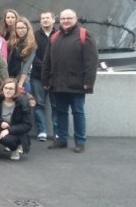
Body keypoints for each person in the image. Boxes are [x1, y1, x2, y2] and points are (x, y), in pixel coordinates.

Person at [42, 9, 98, 153]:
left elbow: (91, 62)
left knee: (78, 112)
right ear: (59, 20)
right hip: (57, 83)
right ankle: (61, 139)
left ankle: (80, 142)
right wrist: (46, 80)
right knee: (60, 112)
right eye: (63, 18)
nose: (66, 21)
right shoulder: (55, 36)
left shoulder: (84, 35)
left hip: (77, 84)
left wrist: (89, 82)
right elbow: (47, 61)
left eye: (69, 18)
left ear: (76, 19)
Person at [0, 78, 32, 161]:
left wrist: (9, 130)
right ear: (2, 89)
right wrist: (0, 122)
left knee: (7, 139)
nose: (8, 91)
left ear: (16, 90)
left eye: (11, 89)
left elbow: (27, 125)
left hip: (16, 132)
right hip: (0, 128)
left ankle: (15, 149)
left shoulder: (22, 103)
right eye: (6, 88)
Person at [31, 12, 56, 141]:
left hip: (55, 77)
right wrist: (45, 67)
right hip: (37, 76)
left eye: (48, 18)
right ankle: (42, 131)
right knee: (39, 104)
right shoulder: (34, 36)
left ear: (53, 20)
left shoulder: (59, 35)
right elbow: (32, 56)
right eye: (43, 18)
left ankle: (57, 131)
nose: (45, 20)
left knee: (56, 105)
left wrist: (52, 68)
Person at [7, 18, 36, 93]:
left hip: (22, 79)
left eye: (23, 27)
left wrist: (20, 84)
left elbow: (27, 65)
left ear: (27, 28)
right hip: (9, 77)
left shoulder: (31, 45)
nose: (20, 30)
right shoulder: (11, 43)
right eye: (18, 28)